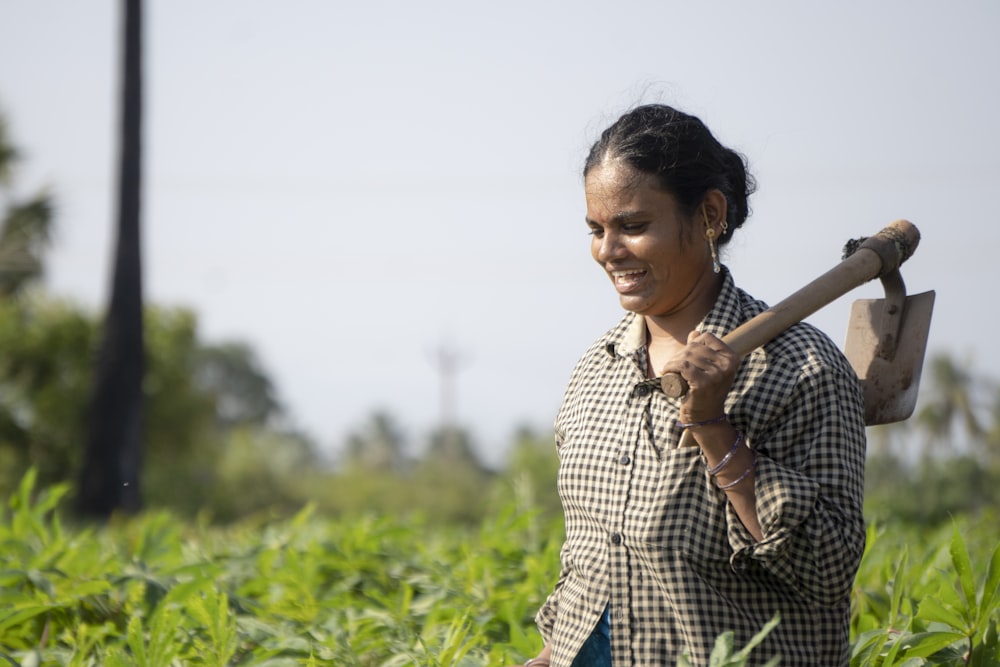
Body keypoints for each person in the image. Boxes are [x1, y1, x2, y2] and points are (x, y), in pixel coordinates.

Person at [514, 104, 867, 666]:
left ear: (709, 214)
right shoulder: (596, 370)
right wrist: (555, 652)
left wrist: (711, 427)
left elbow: (826, 569)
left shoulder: (800, 367)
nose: (608, 251)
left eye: (632, 226)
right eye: (596, 230)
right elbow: (590, 556)